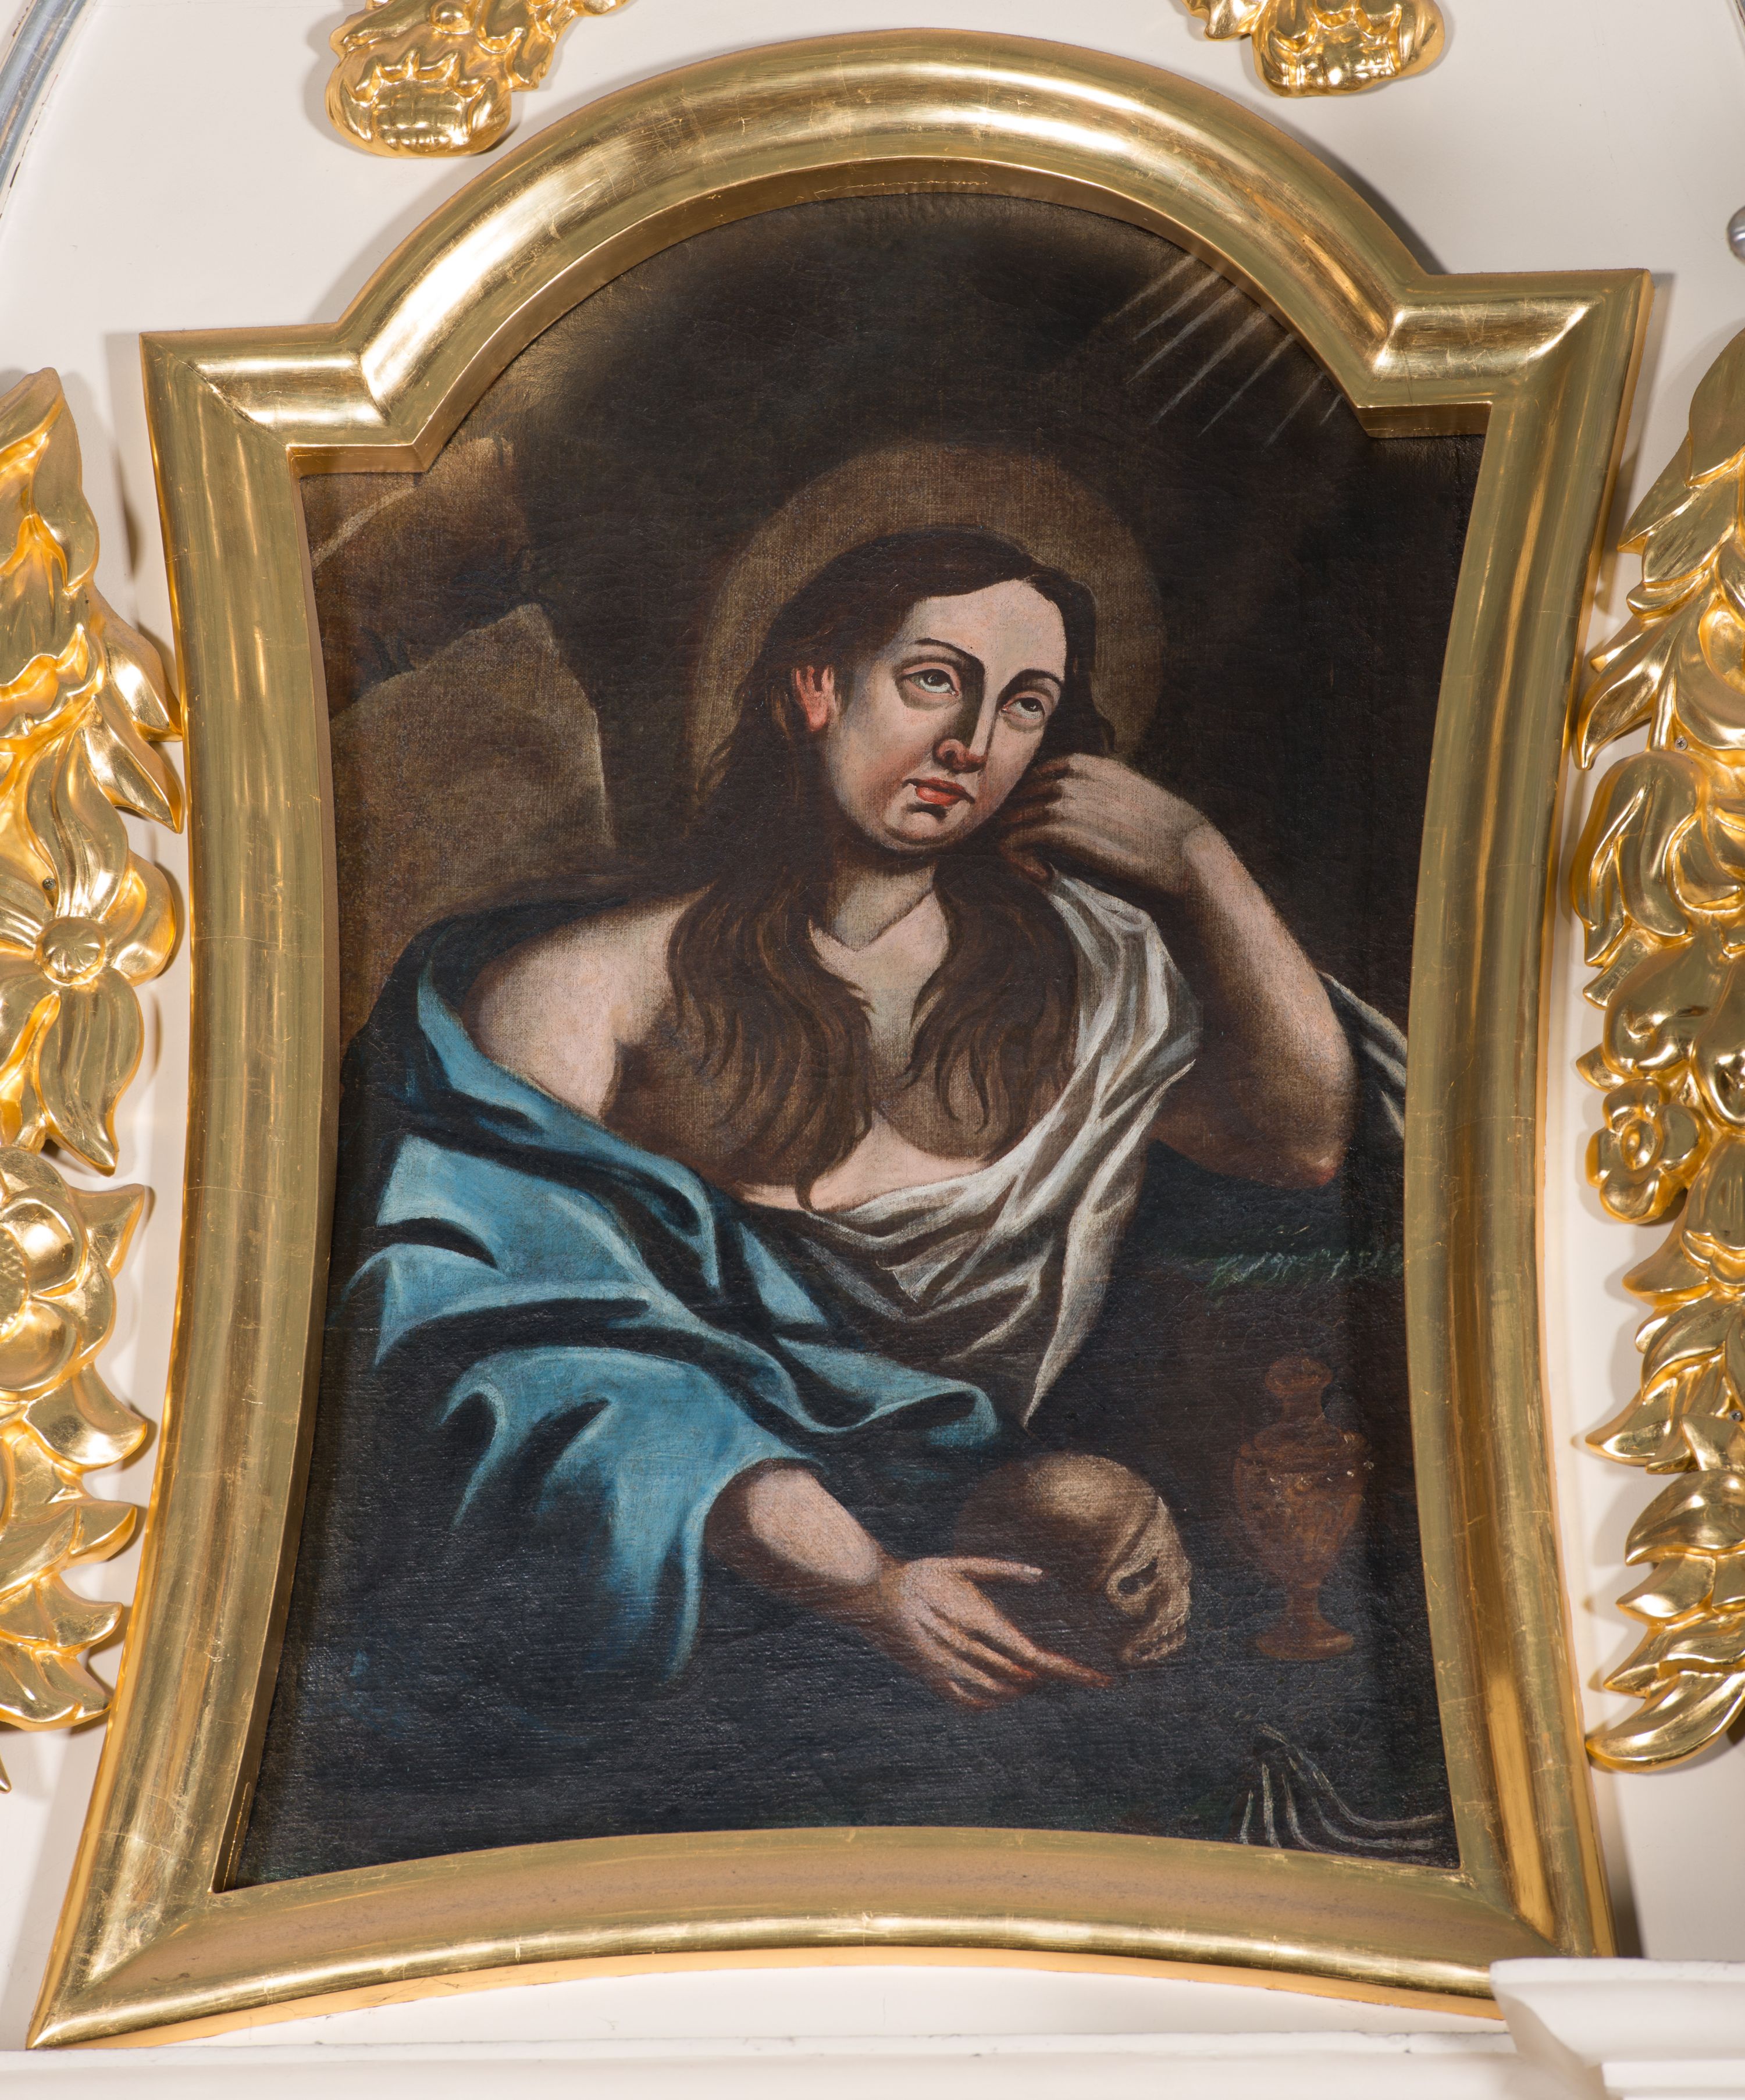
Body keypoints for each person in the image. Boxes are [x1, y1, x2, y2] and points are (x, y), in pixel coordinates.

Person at [444, 527, 1356, 1713]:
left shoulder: (1093, 974)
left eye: (1024, 705)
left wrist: (1199, 857)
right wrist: (863, 1580)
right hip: (704, 1579)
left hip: (996, 1567)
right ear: (815, 689)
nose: (972, 742)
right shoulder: (586, 994)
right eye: (934, 680)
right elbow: (547, 1355)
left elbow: (1304, 1139)